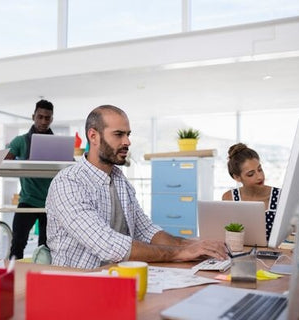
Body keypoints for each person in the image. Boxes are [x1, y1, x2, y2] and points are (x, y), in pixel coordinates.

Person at [46, 105, 227, 269]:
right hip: (77, 284)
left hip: (116, 278)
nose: (127, 142)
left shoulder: (120, 181)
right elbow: (108, 245)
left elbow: (146, 230)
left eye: (128, 134)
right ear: (93, 136)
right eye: (119, 134)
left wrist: (192, 245)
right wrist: (180, 253)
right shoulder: (68, 182)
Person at [5, 99, 54, 259]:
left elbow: (69, 166)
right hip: (27, 200)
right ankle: (13, 277)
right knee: (18, 244)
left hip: (51, 203)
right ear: (33, 116)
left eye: (47, 118)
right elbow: (5, 161)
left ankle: (44, 279)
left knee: (47, 247)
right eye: (40, 117)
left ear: (51, 119)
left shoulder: (57, 143)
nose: (43, 121)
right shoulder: (20, 141)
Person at [222, 143, 281, 241]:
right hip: (240, 253)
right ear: (236, 177)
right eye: (251, 174)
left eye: (260, 169)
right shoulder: (229, 198)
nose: (260, 177)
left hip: (272, 255)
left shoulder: (280, 197)